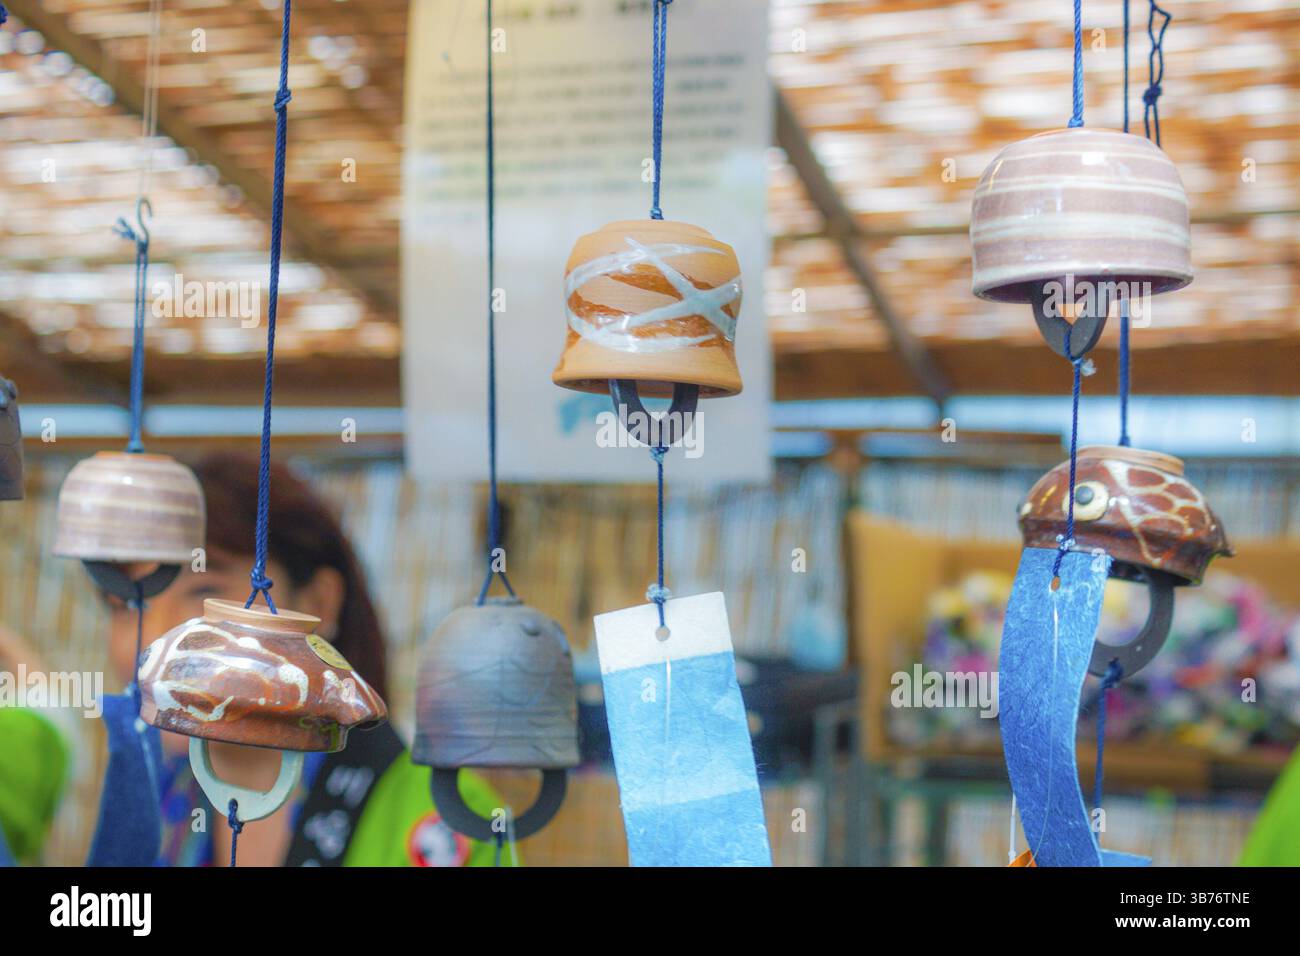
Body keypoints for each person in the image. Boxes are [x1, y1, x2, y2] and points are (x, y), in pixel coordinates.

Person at [103, 451, 513, 867]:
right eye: (124, 605)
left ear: (319, 602)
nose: (151, 636)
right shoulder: (149, 805)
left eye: (202, 590)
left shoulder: (450, 820)